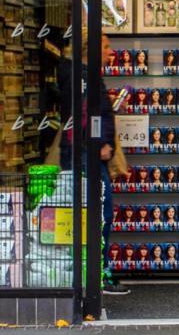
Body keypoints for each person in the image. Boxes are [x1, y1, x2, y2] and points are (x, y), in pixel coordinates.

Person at [53, 29, 130, 296]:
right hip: (87, 155)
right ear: (91, 49)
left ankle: (93, 271)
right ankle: (97, 273)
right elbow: (83, 117)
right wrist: (98, 143)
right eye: (106, 47)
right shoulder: (82, 77)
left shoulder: (85, 76)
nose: (111, 53)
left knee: (96, 213)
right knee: (99, 214)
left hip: (87, 153)